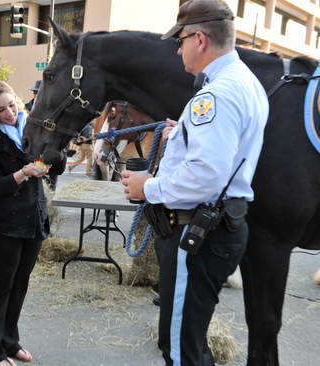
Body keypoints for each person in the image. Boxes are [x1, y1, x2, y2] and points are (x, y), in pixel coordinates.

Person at [121, 0, 269, 365]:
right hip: (217, 227)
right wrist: (183, 133)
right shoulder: (242, 82)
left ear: (199, 39)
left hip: (197, 234)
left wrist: (147, 187)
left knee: (180, 350)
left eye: (181, 40)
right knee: (191, 341)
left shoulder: (215, 95)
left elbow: (205, 175)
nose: (177, 48)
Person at [0, 81, 65, 366]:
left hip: (33, 218)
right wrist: (23, 173)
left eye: (12, 105)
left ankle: (10, 342)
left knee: (21, 284)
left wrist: (55, 154)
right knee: (3, 285)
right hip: (5, 224)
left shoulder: (32, 130)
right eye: (2, 110)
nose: (10, 113)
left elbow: (58, 166)